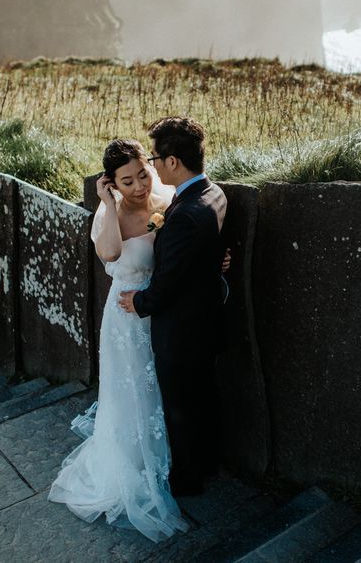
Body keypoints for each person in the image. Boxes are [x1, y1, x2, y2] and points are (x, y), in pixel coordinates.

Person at [48, 138, 189, 543]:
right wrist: (109, 204)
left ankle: (171, 459)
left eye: (143, 174)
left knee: (164, 386)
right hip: (126, 320)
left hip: (161, 311)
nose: (140, 186)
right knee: (133, 394)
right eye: (127, 182)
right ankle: (135, 466)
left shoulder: (165, 198)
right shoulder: (108, 214)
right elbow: (109, 254)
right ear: (113, 183)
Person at [117, 116, 227, 497]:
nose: (153, 164)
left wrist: (138, 301)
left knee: (180, 403)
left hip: (181, 329)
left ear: (173, 162)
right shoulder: (213, 194)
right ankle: (209, 461)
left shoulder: (184, 215)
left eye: (155, 158)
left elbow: (165, 286)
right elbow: (197, 255)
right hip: (205, 318)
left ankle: (187, 479)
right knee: (202, 395)